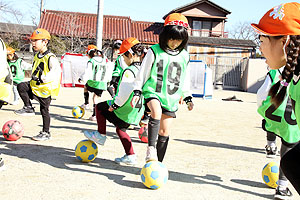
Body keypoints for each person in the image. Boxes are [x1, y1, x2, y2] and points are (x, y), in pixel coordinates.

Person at [251, 2, 300, 198]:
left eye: (262, 40)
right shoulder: (294, 79)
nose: (260, 48)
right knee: (292, 161)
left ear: (284, 42)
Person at [131, 13, 194, 163]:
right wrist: (137, 91)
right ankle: (150, 148)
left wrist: (187, 97)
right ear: (165, 35)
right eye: (171, 38)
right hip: (153, 92)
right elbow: (143, 72)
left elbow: (185, 78)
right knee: (156, 111)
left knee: (165, 131)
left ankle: (157, 164)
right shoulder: (154, 51)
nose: (174, 43)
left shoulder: (185, 56)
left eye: (178, 40)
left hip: (171, 97)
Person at [83, 37, 145, 165]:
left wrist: (115, 105)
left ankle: (100, 134)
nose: (123, 59)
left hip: (125, 107)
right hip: (137, 110)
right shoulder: (145, 71)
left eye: (124, 56)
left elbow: (124, 92)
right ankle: (130, 155)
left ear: (130, 54)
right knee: (121, 129)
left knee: (99, 107)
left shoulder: (130, 71)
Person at [256, 67, 300, 199]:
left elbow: (261, 94)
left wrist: (262, 109)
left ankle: (271, 146)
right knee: (289, 149)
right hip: (291, 119)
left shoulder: (274, 73)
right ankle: (281, 187)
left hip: (273, 114)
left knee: (270, 124)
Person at [14, 28, 61, 141]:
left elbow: (56, 71)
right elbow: (34, 68)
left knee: (44, 111)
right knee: (21, 86)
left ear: (45, 42)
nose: (33, 43)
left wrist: (45, 78)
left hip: (44, 88)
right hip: (34, 86)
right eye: (32, 41)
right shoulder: (37, 55)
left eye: (36, 40)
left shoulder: (51, 57)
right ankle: (28, 107)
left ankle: (46, 132)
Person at [79, 44, 113, 121]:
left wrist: (81, 78)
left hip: (93, 82)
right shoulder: (105, 60)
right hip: (103, 83)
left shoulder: (91, 61)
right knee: (96, 98)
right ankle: (94, 115)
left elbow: (87, 72)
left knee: (85, 87)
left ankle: (86, 103)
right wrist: (108, 81)